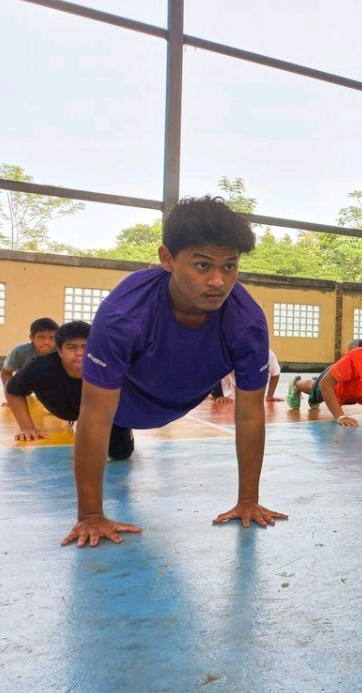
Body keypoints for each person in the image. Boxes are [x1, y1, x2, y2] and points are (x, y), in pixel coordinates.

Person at [62, 196, 286, 548]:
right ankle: (124, 436)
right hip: (121, 402)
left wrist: (247, 500)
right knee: (114, 441)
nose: (218, 281)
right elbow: (93, 414)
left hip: (182, 398)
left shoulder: (246, 323)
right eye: (202, 266)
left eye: (230, 266)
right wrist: (90, 516)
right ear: (166, 258)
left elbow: (250, 415)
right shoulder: (124, 314)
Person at [5, 321, 135, 458]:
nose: (79, 353)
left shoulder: (108, 366)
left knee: (120, 453)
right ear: (60, 351)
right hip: (63, 407)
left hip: (103, 413)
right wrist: (27, 428)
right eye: (71, 347)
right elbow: (12, 390)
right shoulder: (40, 368)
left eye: (86, 347)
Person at [286, 324, 362, 426]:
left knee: (319, 389)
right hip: (334, 389)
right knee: (315, 390)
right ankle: (296, 383)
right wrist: (340, 416)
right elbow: (325, 385)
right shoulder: (354, 360)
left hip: (351, 395)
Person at [2, 317, 59, 404]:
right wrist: (10, 397)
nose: (47, 342)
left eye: (52, 338)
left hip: (50, 385)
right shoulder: (20, 351)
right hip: (26, 384)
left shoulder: (61, 353)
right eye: (41, 337)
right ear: (32, 338)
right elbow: (6, 373)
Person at [213, 348, 283, 403]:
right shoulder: (236, 354)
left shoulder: (269, 354)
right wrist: (224, 395)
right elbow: (226, 373)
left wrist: (270, 395)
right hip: (222, 382)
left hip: (247, 386)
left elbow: (275, 374)